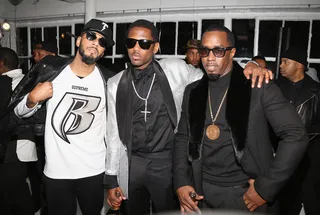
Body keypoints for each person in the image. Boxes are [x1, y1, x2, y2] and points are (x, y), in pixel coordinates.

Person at [105, 19, 274, 215]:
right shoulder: (115, 83)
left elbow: (216, 71)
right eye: (130, 43)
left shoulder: (175, 69)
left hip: (166, 162)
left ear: (156, 47)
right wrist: (110, 177)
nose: (136, 48)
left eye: (143, 44)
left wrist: (251, 64)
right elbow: (113, 133)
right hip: (132, 162)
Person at [173, 25, 308, 214]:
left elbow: (296, 135)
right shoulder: (192, 91)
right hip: (201, 194)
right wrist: (181, 181)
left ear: (232, 52)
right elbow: (182, 137)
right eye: (204, 50)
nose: (210, 57)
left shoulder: (257, 86)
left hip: (245, 196)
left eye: (218, 50)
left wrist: (266, 187)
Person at [12, 18, 115, 215]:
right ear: (78, 41)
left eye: (102, 42)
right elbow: (18, 113)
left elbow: (113, 130)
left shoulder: (108, 82)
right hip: (57, 172)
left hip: (94, 171)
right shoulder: (50, 71)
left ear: (103, 52)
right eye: (91, 36)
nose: (95, 43)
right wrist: (32, 99)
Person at [277, 46, 320, 215]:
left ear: (299, 65)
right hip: (282, 151)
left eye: (286, 62)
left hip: (311, 153)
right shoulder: (274, 88)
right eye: (280, 61)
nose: (280, 65)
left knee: (312, 198)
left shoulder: (316, 90)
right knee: (287, 201)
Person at [0, 47, 36, 215]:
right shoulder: (28, 80)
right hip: (23, 147)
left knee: (8, 198)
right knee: (19, 191)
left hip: (10, 149)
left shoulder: (6, 82)